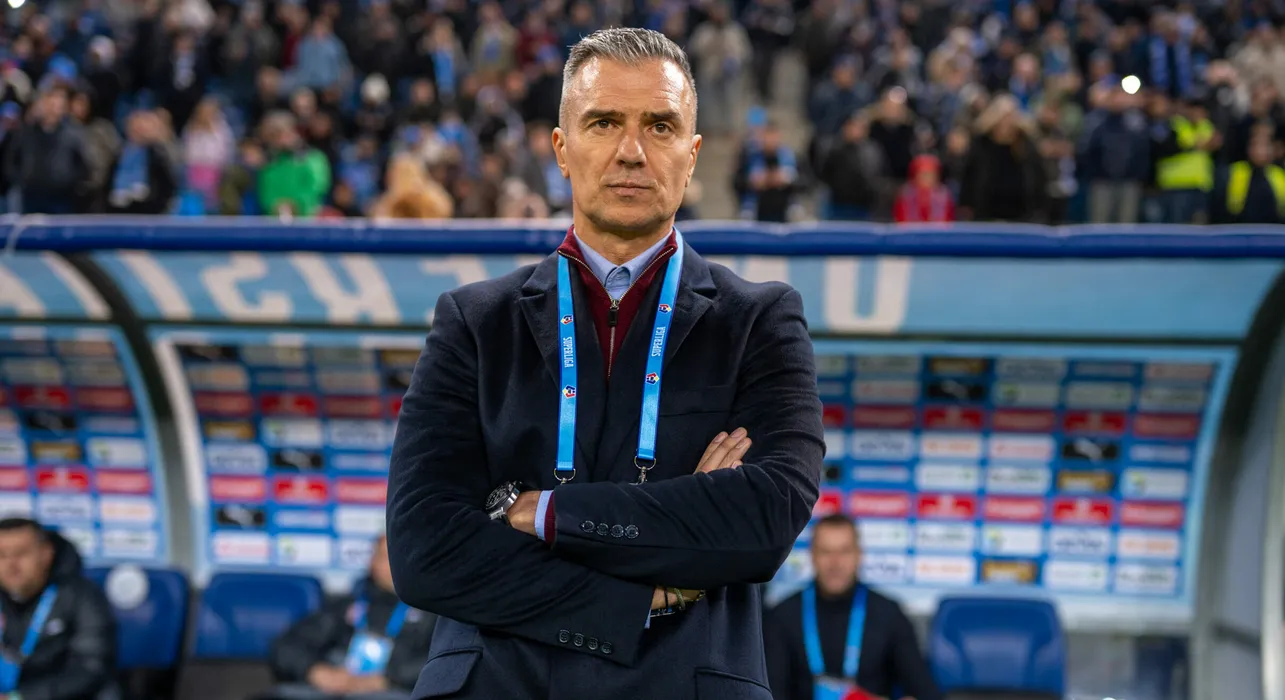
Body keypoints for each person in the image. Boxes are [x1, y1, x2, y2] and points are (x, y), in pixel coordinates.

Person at [386, 27, 824, 700]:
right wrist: (648, 590)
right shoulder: (474, 322)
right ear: (562, 148)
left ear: (692, 154)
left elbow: (763, 519)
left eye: (659, 126)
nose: (631, 151)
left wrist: (544, 514)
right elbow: (424, 550)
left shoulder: (759, 320)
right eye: (603, 123)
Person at [763, 515, 939, 700]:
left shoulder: (889, 614)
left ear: (859, 555)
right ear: (812, 555)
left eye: (844, 551)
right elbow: (772, 693)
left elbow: (926, 692)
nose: (835, 563)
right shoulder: (781, 617)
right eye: (826, 552)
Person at [258, 536, 435, 700]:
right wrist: (315, 671)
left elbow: (441, 664)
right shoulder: (346, 605)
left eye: (402, 557)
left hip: (395, 691)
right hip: (333, 689)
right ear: (372, 562)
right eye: (385, 557)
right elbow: (287, 646)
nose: (394, 565)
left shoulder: (435, 614)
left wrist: (389, 678)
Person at [0, 518, 118, 700]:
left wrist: (21, 697)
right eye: (2, 555)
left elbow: (90, 668)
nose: (11, 565)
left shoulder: (81, 596)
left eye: (21, 553)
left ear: (46, 554)